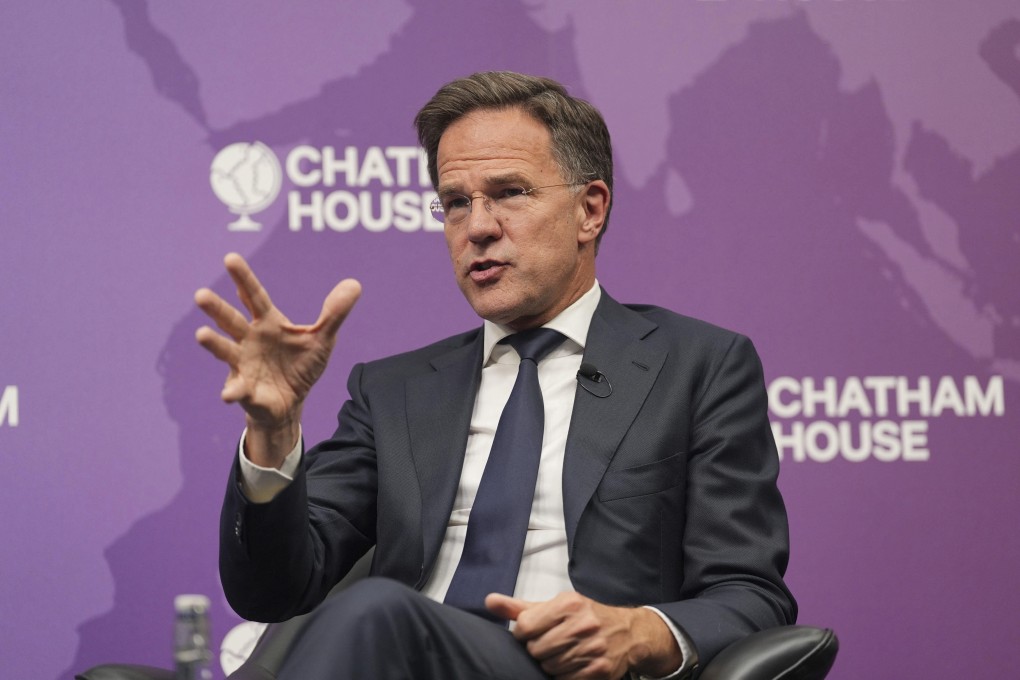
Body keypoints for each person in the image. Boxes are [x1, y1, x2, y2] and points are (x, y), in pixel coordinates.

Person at [195, 71, 795, 680]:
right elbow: (271, 592)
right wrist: (273, 431)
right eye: (456, 202)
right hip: (399, 658)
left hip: (572, 671)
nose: (477, 227)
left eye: (509, 193)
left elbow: (752, 596)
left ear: (590, 209)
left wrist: (640, 630)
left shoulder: (697, 366)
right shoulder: (395, 392)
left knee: (376, 609)